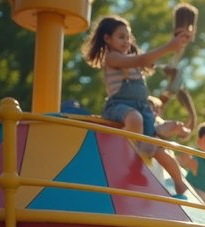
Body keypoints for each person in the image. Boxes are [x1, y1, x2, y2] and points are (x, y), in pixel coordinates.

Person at [82, 15, 192, 196]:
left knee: (161, 151)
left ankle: (179, 182)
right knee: (135, 119)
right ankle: (133, 163)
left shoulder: (134, 60)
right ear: (107, 39)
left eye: (128, 37)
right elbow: (142, 60)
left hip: (143, 109)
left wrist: (178, 44)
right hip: (120, 107)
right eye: (121, 37)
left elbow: (148, 60)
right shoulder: (113, 58)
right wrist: (169, 46)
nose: (126, 41)